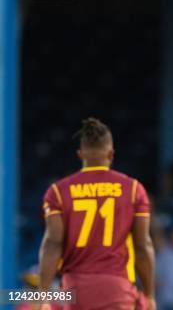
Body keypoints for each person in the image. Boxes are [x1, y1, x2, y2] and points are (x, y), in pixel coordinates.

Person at [38, 118, 155, 310]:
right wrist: (150, 295)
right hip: (117, 288)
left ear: (80, 154)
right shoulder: (134, 189)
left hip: (75, 290)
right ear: (111, 154)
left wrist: (42, 297)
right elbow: (143, 246)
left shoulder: (57, 191)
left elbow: (52, 244)